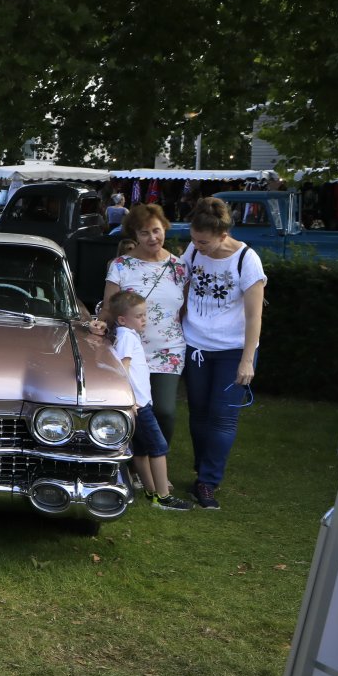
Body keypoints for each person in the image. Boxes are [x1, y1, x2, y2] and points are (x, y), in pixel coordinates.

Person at [179, 196, 267, 511]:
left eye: (204, 242)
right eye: (194, 239)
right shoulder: (193, 251)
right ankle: (202, 468)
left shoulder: (247, 260)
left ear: (223, 235)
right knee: (199, 412)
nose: (197, 246)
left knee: (223, 417)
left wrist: (247, 360)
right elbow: (183, 286)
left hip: (233, 350)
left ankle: (208, 481)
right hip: (196, 345)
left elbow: (254, 316)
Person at [101, 204, 187, 444]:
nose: (152, 237)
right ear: (135, 235)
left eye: (156, 230)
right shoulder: (121, 265)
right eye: (144, 233)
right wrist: (99, 325)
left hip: (168, 350)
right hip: (130, 349)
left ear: (165, 229)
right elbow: (109, 308)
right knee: (132, 408)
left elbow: (185, 309)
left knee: (164, 411)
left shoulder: (179, 267)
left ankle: (159, 456)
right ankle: (135, 459)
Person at [105, 292, 192, 510]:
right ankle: (163, 496)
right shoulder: (126, 337)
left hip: (139, 404)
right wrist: (131, 400)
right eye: (139, 316)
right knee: (159, 448)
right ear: (122, 319)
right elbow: (122, 370)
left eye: (145, 314)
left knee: (141, 450)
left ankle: (151, 491)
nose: (144, 319)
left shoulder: (126, 334)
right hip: (139, 406)